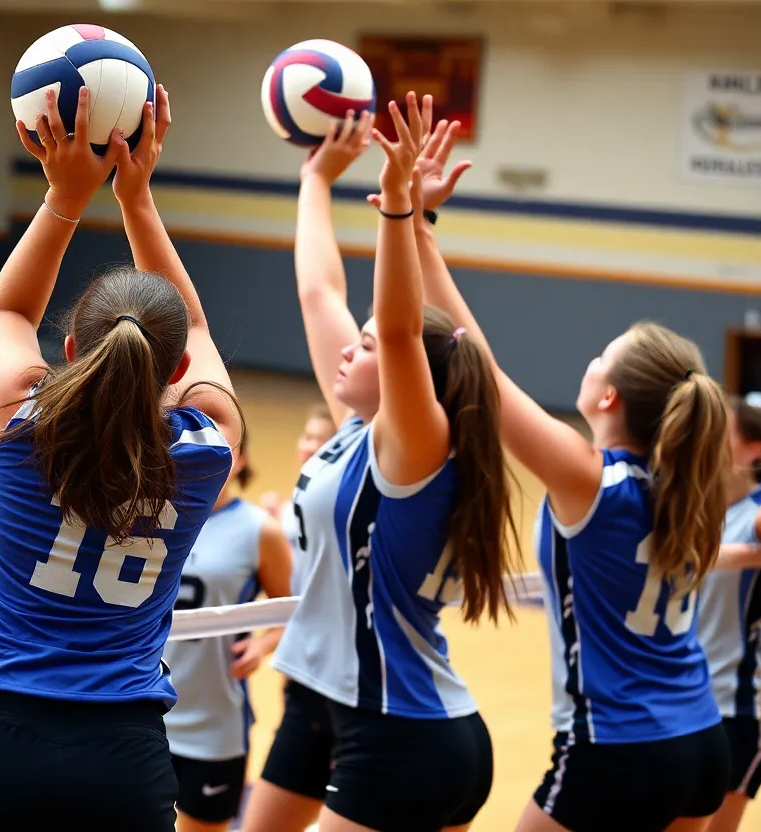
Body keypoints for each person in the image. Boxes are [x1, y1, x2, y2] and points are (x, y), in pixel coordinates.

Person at [0, 85, 241, 832]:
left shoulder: (23, 428)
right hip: (124, 754)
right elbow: (197, 325)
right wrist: (137, 201)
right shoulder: (208, 449)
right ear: (180, 364)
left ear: (67, 352)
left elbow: (6, 313)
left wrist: (65, 196)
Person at [408, 106, 732, 831]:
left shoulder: (595, 481)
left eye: (600, 354)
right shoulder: (685, 490)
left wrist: (418, 226)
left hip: (617, 750)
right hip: (700, 738)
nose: (589, 362)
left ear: (607, 395)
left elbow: (476, 361)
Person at [242, 95, 519, 832]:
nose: (349, 347)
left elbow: (397, 330)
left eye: (363, 346)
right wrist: (314, 180)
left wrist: (399, 212)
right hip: (331, 705)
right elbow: (318, 291)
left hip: (406, 734)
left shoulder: (416, 449)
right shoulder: (356, 433)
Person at [163, 431, 293, 832]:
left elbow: (293, 610)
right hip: (143, 713)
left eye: (226, 446)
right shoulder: (155, 515)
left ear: (242, 460)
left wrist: (263, 644)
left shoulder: (259, 530)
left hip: (214, 727)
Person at [698, 394, 761, 832]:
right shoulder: (700, 510)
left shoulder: (755, 517)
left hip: (738, 709)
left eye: (723, 431)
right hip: (686, 698)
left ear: (752, 451)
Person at [257, 403, 336, 587]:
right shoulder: (283, 509)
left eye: (321, 439)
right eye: (308, 437)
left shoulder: (338, 504)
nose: (311, 446)